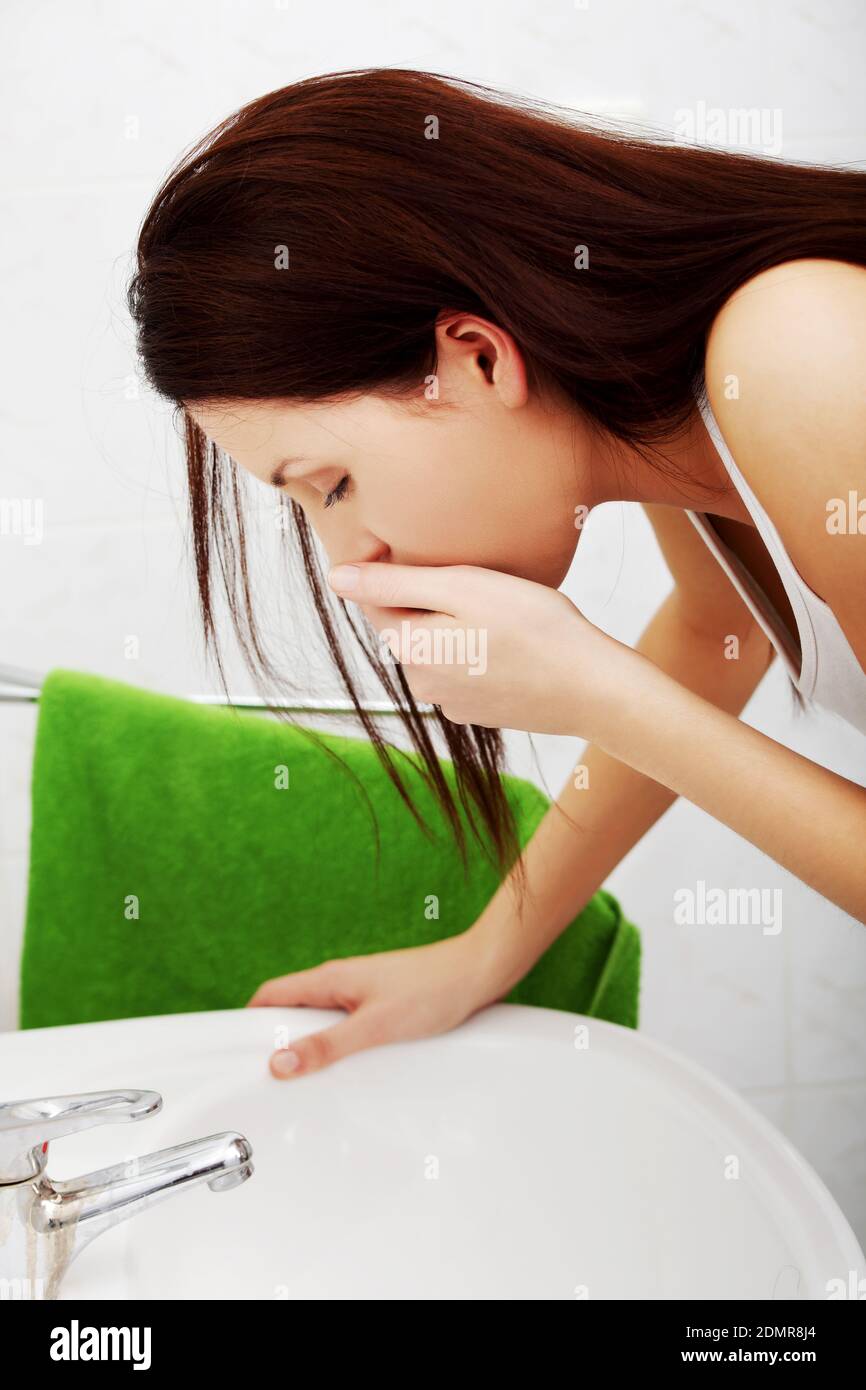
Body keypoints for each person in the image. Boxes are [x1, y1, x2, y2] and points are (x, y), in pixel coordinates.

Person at [127, 67, 866, 1080]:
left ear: (474, 356)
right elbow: (711, 632)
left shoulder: (802, 351)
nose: (350, 565)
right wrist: (484, 952)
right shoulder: (672, 404)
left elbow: (653, 691)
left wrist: (594, 690)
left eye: (333, 485)